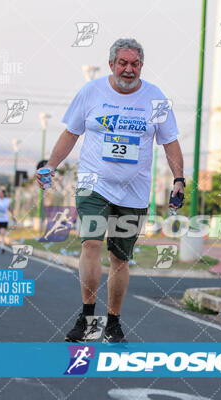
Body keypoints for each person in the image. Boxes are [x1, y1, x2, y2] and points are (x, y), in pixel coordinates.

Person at [38, 38, 184, 343]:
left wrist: (178, 179)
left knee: (120, 258)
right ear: (111, 65)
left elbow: (170, 142)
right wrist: (51, 165)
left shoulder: (155, 99)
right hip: (94, 184)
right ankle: (87, 316)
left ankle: (113, 322)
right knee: (91, 243)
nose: (128, 70)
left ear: (141, 66)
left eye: (135, 64)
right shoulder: (91, 92)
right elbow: (71, 133)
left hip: (134, 190)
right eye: (123, 63)